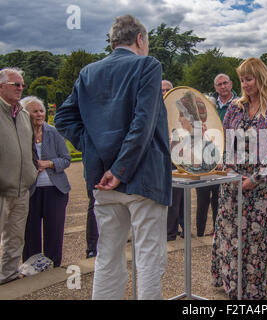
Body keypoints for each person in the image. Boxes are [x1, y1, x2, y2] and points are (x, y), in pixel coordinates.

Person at [55, 14, 172, 300]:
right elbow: (143, 122)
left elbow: (62, 118)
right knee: (148, 257)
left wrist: (93, 148)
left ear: (113, 41)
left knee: (107, 254)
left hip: (101, 178)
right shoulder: (148, 65)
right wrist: (120, 168)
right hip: (143, 177)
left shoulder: (88, 72)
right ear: (140, 39)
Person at [211, 57, 267, 300]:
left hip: (259, 187)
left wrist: (255, 178)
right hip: (231, 183)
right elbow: (224, 142)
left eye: (249, 79)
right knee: (229, 236)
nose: (244, 84)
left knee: (254, 240)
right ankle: (232, 286)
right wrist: (222, 167)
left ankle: (252, 291)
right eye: (242, 79)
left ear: (261, 78)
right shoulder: (235, 107)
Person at [20, 96, 71, 268]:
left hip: (55, 189)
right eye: (35, 111)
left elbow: (66, 159)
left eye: (41, 110)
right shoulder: (21, 134)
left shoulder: (53, 132)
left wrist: (48, 163)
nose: (39, 114)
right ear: (26, 114)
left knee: (54, 231)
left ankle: (53, 266)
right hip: (30, 190)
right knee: (30, 232)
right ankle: (32, 268)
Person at [0, 68, 38, 284]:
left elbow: (31, 148)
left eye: (22, 84)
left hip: (22, 188)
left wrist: (31, 171)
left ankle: (8, 276)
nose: (21, 88)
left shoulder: (23, 115)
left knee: (15, 236)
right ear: (1, 86)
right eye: (16, 84)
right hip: (1, 187)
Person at [195, 74, 237, 237]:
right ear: (215, 87)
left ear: (231, 83)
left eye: (225, 83)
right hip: (206, 157)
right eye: (219, 84)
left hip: (226, 155)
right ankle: (199, 231)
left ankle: (218, 229)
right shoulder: (211, 105)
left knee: (220, 198)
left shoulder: (238, 103)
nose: (223, 86)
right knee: (202, 197)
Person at [164, 79, 184, 241]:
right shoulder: (154, 109)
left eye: (167, 90)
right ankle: (168, 231)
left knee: (177, 198)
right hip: (161, 159)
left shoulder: (178, 111)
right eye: (162, 90)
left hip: (178, 158)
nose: (165, 93)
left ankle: (173, 231)